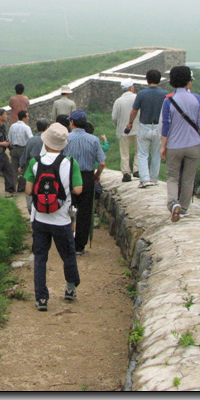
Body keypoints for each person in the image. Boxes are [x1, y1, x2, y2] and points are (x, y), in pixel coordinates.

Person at [23, 122, 83, 311]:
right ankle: (70, 289)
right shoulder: (71, 163)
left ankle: (41, 298)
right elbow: (78, 190)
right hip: (62, 219)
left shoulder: (35, 163)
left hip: (40, 219)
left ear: (46, 142)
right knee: (68, 255)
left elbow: (28, 190)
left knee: (40, 258)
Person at [160, 66, 200, 222]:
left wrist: (163, 146)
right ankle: (183, 208)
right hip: (193, 145)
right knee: (188, 178)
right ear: (189, 80)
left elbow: (166, 126)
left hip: (174, 146)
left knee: (173, 177)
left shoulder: (168, 101)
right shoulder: (197, 99)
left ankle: (172, 203)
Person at [63, 110, 106, 255]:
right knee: (85, 212)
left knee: (65, 208)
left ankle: (65, 242)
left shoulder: (66, 138)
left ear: (72, 122)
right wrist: (97, 176)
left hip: (69, 176)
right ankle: (79, 246)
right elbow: (102, 163)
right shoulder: (93, 140)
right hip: (87, 177)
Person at [125, 69, 167, 189]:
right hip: (159, 127)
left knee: (142, 154)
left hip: (144, 126)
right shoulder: (165, 94)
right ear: (159, 80)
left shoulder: (142, 94)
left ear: (147, 80)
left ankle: (144, 179)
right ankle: (154, 178)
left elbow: (134, 111)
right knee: (156, 154)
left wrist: (130, 123)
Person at [19, 118, 51, 213]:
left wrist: (21, 166)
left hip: (32, 170)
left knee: (30, 190)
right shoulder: (49, 141)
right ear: (47, 128)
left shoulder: (32, 140)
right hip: (46, 171)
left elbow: (25, 155)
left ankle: (31, 209)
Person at [111, 78, 140, 182]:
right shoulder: (137, 98)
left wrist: (117, 126)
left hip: (123, 130)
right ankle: (137, 170)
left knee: (124, 153)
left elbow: (114, 117)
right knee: (139, 150)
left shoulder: (118, 101)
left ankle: (126, 173)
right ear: (131, 88)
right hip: (137, 128)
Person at [8, 110, 33, 193]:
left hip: (14, 149)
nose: (28, 118)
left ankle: (12, 188)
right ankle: (21, 187)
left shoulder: (12, 126)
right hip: (23, 149)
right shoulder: (26, 127)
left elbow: (9, 139)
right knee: (24, 169)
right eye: (27, 116)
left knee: (14, 170)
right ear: (24, 118)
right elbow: (31, 139)